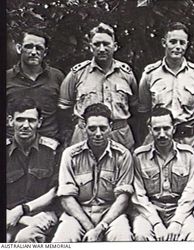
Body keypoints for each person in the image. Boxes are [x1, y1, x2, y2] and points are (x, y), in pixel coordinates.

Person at [52, 103, 133, 242]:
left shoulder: (123, 155)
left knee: (122, 238)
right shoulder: (70, 155)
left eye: (103, 128)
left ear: (111, 127)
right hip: (78, 214)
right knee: (62, 239)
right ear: (84, 126)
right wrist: (90, 227)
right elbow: (66, 198)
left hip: (111, 214)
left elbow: (123, 198)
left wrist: (100, 227)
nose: (98, 134)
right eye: (92, 128)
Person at [58, 22, 138, 151]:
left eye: (106, 44)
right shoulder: (77, 74)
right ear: (90, 47)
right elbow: (64, 108)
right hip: (86, 135)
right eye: (97, 44)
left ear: (115, 46)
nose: (101, 49)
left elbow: (135, 107)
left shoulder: (126, 73)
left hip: (119, 135)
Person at [131, 107, 194, 241]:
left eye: (166, 128)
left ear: (174, 128)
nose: (162, 134)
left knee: (192, 235)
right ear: (150, 129)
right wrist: (156, 223)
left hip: (179, 209)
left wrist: (177, 221)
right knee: (141, 234)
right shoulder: (139, 156)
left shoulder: (188, 155)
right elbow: (139, 195)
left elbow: (191, 192)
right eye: (156, 129)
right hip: (149, 210)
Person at [138, 22, 194, 153]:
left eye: (182, 43)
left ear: (187, 44)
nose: (177, 47)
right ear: (164, 43)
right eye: (173, 42)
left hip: (187, 140)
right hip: (158, 140)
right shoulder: (150, 74)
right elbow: (144, 109)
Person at [6, 97, 60, 243]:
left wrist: (24, 210)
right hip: (9, 214)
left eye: (31, 120)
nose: (25, 125)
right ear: (10, 121)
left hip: (43, 214)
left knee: (24, 238)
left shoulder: (53, 150)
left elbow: (55, 191)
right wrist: (21, 217)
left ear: (39, 123)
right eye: (20, 120)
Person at [7, 29, 65, 141]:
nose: (34, 52)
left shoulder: (57, 77)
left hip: (49, 144)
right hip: (12, 145)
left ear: (45, 52)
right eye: (29, 46)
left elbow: (64, 114)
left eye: (39, 48)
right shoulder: (7, 77)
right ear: (19, 48)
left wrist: (61, 142)